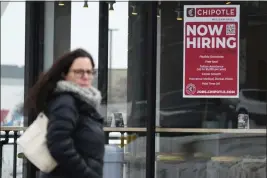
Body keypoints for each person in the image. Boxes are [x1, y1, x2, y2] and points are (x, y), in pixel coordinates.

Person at [23, 48, 105, 178]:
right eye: (79, 72)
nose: (85, 77)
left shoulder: (82, 102)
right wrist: (87, 174)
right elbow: (58, 145)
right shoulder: (66, 102)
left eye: (90, 72)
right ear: (65, 74)